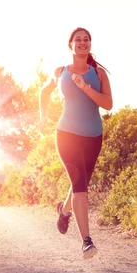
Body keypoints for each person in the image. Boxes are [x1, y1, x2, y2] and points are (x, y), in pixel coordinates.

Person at [38, 27, 113, 259]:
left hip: (93, 136)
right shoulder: (60, 72)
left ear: (90, 45)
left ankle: (64, 210)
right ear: (70, 45)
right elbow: (44, 92)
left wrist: (86, 88)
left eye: (86, 40)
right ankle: (87, 242)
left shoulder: (99, 74)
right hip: (66, 134)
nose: (82, 42)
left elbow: (108, 104)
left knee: (80, 182)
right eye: (78, 40)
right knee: (80, 187)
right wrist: (43, 115)